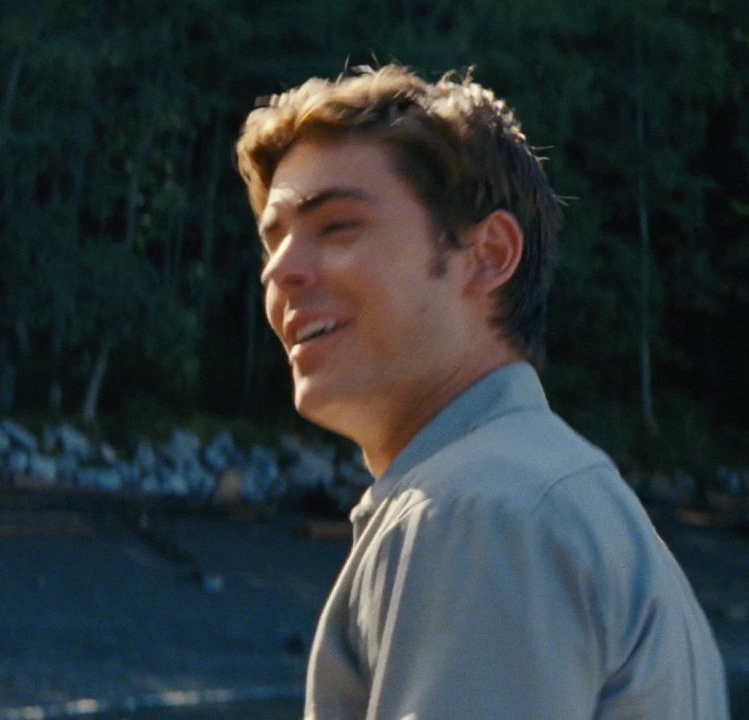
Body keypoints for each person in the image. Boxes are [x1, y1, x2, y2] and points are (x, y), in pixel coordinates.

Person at [235, 64, 728, 719]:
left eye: (337, 226)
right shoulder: (555, 500)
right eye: (272, 242)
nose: (281, 271)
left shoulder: (481, 510)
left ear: (488, 254)